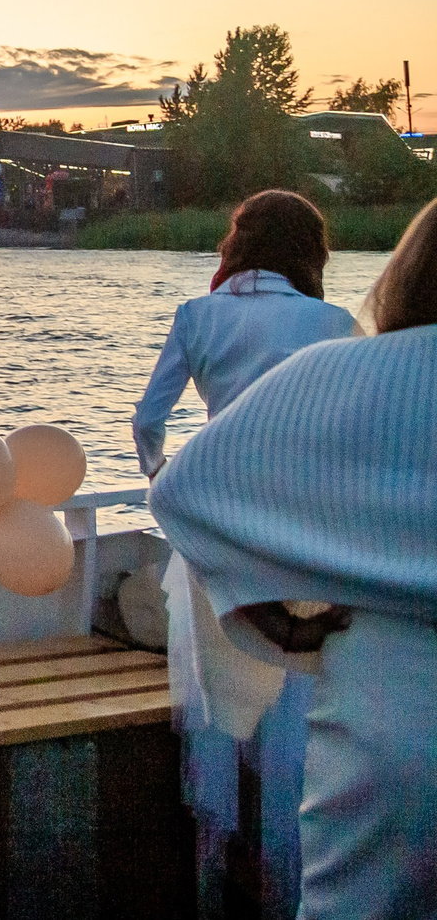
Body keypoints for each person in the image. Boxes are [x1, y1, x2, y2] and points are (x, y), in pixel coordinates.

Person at [151, 198, 437, 920]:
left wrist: (272, 617)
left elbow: (182, 488)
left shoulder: (343, 368)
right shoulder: (326, 329)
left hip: (392, 692)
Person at [132, 189, 356, 477]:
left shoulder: (195, 316)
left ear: (236, 245)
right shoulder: (338, 323)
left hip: (224, 486)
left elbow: (148, 422)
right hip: (307, 490)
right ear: (311, 253)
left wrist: (156, 471)